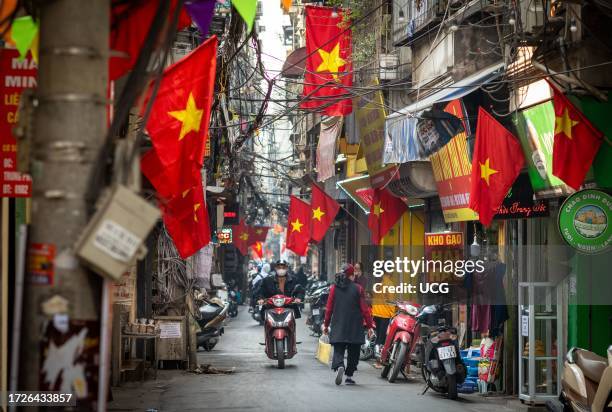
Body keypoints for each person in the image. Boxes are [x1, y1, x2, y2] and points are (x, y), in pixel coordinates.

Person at [323, 264, 375, 386]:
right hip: (355, 325)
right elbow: (365, 309)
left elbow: (329, 309)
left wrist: (326, 324)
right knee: (354, 351)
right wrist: (370, 326)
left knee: (338, 348)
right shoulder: (358, 288)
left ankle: (340, 365)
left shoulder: (334, 288)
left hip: (339, 324)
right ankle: (349, 375)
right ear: (351, 276)